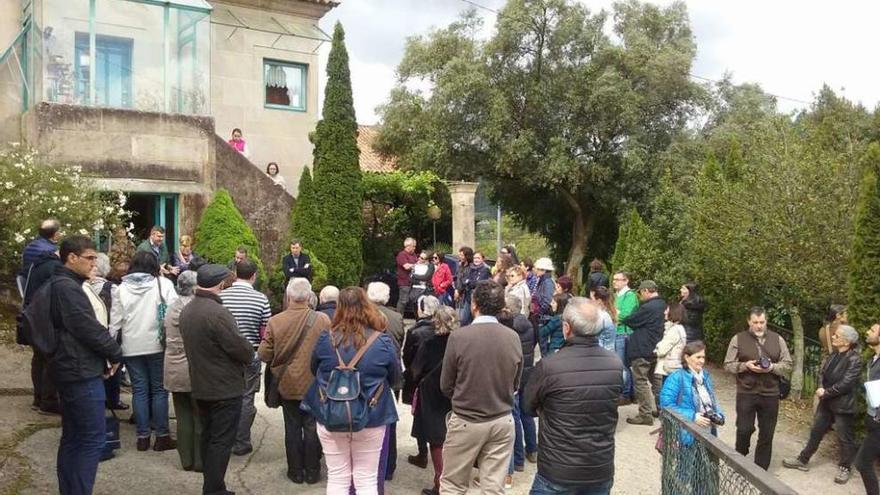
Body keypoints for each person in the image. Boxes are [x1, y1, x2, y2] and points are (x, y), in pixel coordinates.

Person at [302, 287, 401, 495]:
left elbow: (314, 369)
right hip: (371, 415)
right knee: (367, 478)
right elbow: (395, 378)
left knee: (337, 476)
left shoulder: (326, 339)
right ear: (367, 306)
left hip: (330, 412)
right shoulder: (382, 341)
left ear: (339, 308)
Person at [524, 298, 623, 495]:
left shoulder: (550, 366)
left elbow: (527, 406)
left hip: (558, 470)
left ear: (566, 328)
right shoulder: (615, 363)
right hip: (599, 467)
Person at [49, 236, 123, 494]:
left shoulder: (65, 284)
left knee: (74, 438)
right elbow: (87, 328)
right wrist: (115, 352)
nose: (95, 263)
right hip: (79, 371)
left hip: (73, 368)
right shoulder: (67, 287)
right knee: (91, 439)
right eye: (90, 258)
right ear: (72, 258)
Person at [440, 280, 523, 494]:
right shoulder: (513, 337)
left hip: (467, 419)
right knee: (493, 487)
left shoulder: (459, 337)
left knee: (453, 485)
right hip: (502, 419)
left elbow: (446, 384)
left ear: (474, 304)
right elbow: (515, 382)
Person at [179, 264, 255, 495]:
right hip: (223, 388)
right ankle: (214, 490)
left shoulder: (188, 310)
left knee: (209, 437)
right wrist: (249, 350)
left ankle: (213, 486)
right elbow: (242, 350)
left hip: (201, 384)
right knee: (221, 442)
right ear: (221, 284)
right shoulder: (217, 313)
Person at [258, 278, 332, 484]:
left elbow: (264, 354)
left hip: (287, 383)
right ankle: (313, 471)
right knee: (312, 427)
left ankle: (295, 471)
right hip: (315, 384)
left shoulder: (276, 321)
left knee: (292, 427)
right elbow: (331, 352)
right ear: (309, 297)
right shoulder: (323, 320)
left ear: (288, 296)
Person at [110, 250, 178, 451]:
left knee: (139, 390)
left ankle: (142, 437)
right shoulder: (163, 284)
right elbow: (174, 311)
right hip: (156, 344)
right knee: (159, 390)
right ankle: (162, 436)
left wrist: (110, 349)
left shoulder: (120, 289)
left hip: (131, 345)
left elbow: (115, 323)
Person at [783, 324, 861, 484]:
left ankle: (845, 467)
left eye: (837, 336)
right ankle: (803, 459)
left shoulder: (854, 359)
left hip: (842, 405)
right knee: (816, 431)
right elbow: (822, 372)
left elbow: (847, 383)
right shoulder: (833, 355)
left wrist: (826, 392)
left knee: (844, 438)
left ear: (846, 342)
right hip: (826, 402)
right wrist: (820, 386)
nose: (833, 337)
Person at [723, 306, 793, 470]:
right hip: (746, 391)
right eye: (755, 322)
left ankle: (761, 470)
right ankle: (740, 458)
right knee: (744, 429)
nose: (759, 326)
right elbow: (728, 365)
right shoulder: (738, 339)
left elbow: (788, 364)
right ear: (749, 321)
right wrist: (745, 365)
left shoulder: (778, 339)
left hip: (770, 392)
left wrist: (772, 368)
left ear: (766, 321)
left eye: (762, 322)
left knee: (767, 433)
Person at [218, 259, 271, 457]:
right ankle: (241, 441)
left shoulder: (221, 297)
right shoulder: (261, 299)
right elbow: (265, 331)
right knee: (247, 397)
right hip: (250, 353)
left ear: (235, 273)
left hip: (224, 354)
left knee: (224, 396)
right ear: (254, 276)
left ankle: (225, 438)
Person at [410, 305, 458, 495]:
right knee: (453, 435)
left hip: (431, 393)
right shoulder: (461, 342)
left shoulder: (429, 343)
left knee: (436, 439)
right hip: (455, 392)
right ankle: (450, 479)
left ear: (436, 321)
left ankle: (440, 483)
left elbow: (415, 371)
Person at [162, 271, 202, 472]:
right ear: (195, 287)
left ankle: (186, 459)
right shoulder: (194, 309)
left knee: (182, 414)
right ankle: (200, 460)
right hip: (193, 368)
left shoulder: (171, 308)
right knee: (199, 415)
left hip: (173, 367)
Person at [499, 296, 538, 475]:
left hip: (515, 375)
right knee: (526, 414)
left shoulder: (509, 327)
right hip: (527, 373)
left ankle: (518, 459)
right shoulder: (529, 324)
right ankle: (532, 449)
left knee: (514, 417)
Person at [22, 247, 63, 415]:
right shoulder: (54, 267)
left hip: (32, 314)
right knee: (49, 359)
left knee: (38, 358)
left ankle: (38, 398)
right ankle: (49, 401)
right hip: (46, 316)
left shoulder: (37, 264)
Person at [402, 295, 441, 467]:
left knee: (419, 415)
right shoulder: (443, 328)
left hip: (420, 378)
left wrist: (411, 374)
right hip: (440, 377)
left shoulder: (415, 332)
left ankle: (422, 453)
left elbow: (407, 357)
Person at [660, 341, 724, 443]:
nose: (702, 361)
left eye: (703, 357)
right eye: (698, 357)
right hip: (686, 435)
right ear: (686, 357)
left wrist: (719, 415)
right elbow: (666, 406)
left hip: (708, 433)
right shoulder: (676, 378)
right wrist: (693, 417)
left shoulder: (705, 376)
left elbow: (712, 400)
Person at [86, 253, 127, 411]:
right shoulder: (112, 288)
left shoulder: (82, 286)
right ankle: (113, 399)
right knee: (114, 369)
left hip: (92, 333)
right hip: (109, 332)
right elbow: (117, 315)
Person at [623, 280, 666, 426]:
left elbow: (632, 320)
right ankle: (664, 411)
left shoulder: (648, 307)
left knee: (640, 381)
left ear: (647, 291)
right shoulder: (663, 305)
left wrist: (622, 316)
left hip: (642, 348)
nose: (640, 296)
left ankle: (645, 414)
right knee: (656, 381)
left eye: (641, 293)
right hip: (657, 348)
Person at [855, 323, 880, 495]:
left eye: (872, 331)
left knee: (863, 462)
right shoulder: (873, 359)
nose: (867, 332)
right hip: (873, 419)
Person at [612, 271, 638, 403]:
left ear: (626, 281)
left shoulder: (630, 295)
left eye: (618, 279)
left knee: (623, 365)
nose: (614, 282)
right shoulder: (616, 295)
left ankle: (626, 394)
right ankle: (630, 392)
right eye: (614, 279)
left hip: (624, 333)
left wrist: (614, 314)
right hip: (617, 331)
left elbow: (625, 315)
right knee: (622, 364)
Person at [654, 303, 688, 388]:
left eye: (667, 310)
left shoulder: (674, 330)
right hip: (675, 366)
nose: (664, 312)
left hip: (671, 368)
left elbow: (661, 350)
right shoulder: (679, 328)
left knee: (668, 393)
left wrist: (657, 347)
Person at [367, 282, 405, 349]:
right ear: (387, 297)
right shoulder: (396, 317)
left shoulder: (360, 314)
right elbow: (399, 341)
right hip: (391, 356)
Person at [531, 257, 556, 353]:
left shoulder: (547, 282)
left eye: (537, 269)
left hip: (544, 319)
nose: (535, 270)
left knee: (544, 347)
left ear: (543, 270)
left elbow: (547, 300)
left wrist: (539, 312)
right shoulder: (542, 281)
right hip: (541, 317)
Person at [589, 286, 617, 352]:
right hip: (608, 352)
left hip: (602, 352)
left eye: (591, 299)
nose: (590, 301)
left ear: (598, 301)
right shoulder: (609, 313)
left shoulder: (601, 316)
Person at [396, 237, 419, 314]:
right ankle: (398, 319)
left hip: (413, 282)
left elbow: (415, 264)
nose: (415, 248)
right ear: (408, 246)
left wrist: (413, 265)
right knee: (403, 301)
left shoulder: (414, 255)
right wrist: (415, 265)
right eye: (414, 246)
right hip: (404, 283)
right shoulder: (401, 255)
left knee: (414, 301)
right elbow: (406, 266)